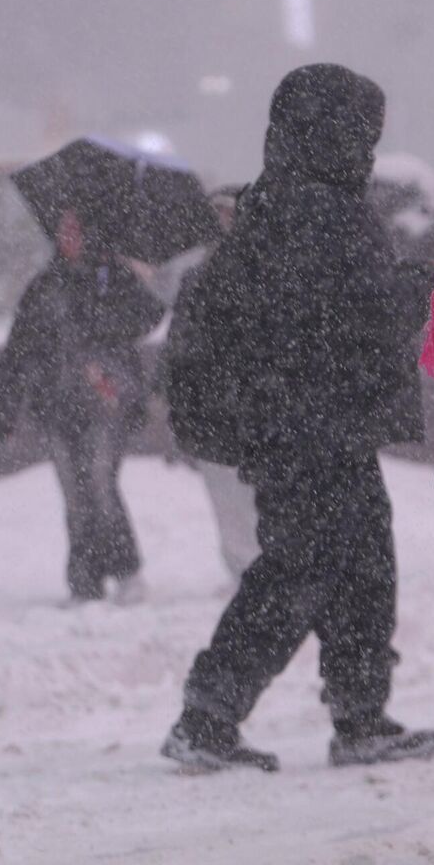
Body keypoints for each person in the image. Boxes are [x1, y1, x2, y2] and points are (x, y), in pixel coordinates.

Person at [161, 64, 434, 774]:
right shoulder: (318, 210)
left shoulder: (282, 200)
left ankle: (358, 714)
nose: (370, 151)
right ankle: (213, 713)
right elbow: (362, 310)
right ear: (332, 133)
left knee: (356, 564)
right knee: (304, 568)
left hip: (304, 421)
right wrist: (431, 282)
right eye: (362, 134)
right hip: (310, 423)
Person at [0, 210, 162, 603]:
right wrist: (5, 404)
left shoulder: (111, 278)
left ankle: (125, 569)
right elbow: (19, 350)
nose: (68, 238)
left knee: (100, 485)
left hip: (105, 403)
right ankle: (86, 578)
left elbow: (148, 314)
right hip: (57, 405)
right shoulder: (44, 287)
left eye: (76, 230)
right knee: (75, 493)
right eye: (63, 230)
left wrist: (111, 293)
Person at [188, 186, 261, 582]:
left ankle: (255, 565)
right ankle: (240, 566)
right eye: (217, 214)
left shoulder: (259, 270)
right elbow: (183, 339)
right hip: (212, 403)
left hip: (246, 402)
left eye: (228, 214)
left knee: (248, 492)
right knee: (223, 492)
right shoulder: (198, 274)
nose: (222, 222)